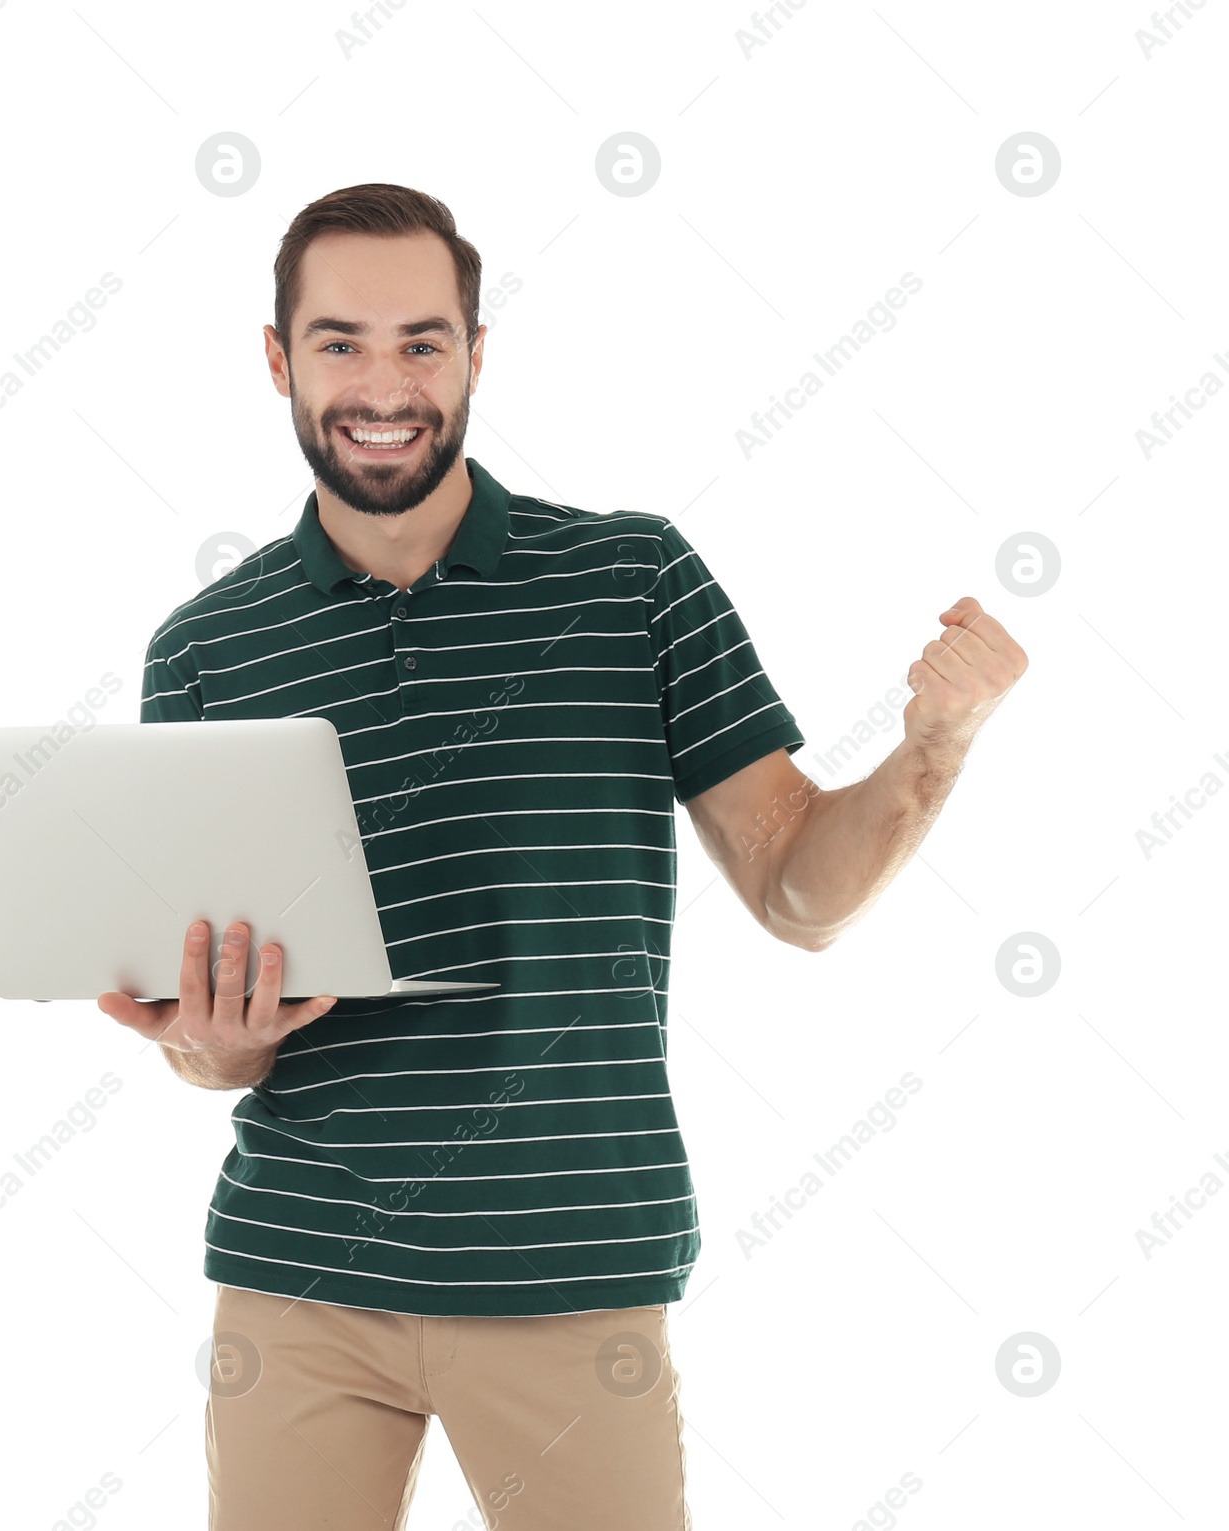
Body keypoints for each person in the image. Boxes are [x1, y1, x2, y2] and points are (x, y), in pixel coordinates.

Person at [97, 183, 1028, 1530]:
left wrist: (937, 742)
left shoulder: (631, 580)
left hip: (572, 1275)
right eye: (341, 341)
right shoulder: (205, 649)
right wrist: (215, 1042)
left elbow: (797, 895)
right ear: (278, 358)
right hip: (295, 1276)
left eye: (422, 342)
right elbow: (211, 1049)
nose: (382, 383)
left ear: (476, 354)